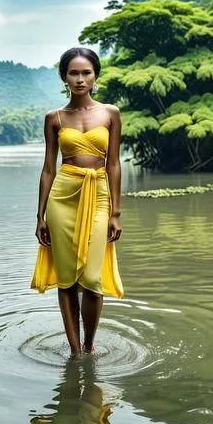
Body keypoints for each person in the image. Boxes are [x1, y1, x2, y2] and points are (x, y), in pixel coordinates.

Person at [31, 47, 124, 358]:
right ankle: (75, 352)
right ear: (64, 77)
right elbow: (48, 168)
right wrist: (40, 216)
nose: (80, 79)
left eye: (86, 72)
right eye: (74, 73)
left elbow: (113, 164)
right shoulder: (54, 118)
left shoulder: (110, 113)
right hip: (63, 197)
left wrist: (115, 211)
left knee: (93, 278)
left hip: (98, 194)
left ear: (95, 76)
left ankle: (89, 344)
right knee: (68, 278)